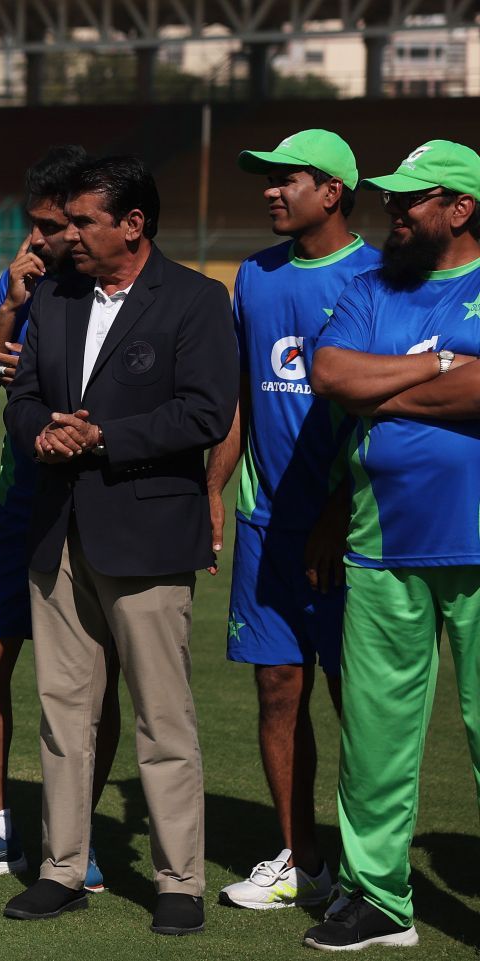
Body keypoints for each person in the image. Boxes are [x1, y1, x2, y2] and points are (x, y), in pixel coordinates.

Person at [0, 156, 237, 937]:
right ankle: (62, 868)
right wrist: (44, 432)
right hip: (58, 530)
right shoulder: (57, 296)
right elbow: (24, 394)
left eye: (82, 223)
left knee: (162, 719)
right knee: (64, 715)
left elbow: (205, 413)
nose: (66, 235)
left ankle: (179, 880)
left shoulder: (199, 301)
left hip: (147, 535)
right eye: (63, 222)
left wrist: (104, 438)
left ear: (133, 224)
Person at [305, 138, 480, 952]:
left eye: (413, 199)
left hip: (475, 545)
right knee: (374, 736)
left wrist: (393, 391)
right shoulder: (372, 286)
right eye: (392, 198)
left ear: (460, 208)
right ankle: (378, 896)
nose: (394, 210)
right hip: (380, 545)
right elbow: (333, 375)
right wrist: (443, 370)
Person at [211, 129, 377, 912]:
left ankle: (366, 865)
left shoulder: (378, 274)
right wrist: (214, 489)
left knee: (362, 702)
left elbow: (383, 415)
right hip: (262, 523)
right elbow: (243, 397)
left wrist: (340, 511)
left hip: (356, 532)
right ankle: (300, 858)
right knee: (278, 687)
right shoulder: (255, 274)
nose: (272, 190)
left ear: (334, 191)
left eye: (289, 179)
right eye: (268, 179)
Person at [0, 145, 117, 888]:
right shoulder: (31, 286)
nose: (43, 239)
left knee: (89, 684)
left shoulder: (127, 288)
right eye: (38, 225)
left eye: (56, 225)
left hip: (97, 512)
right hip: (15, 508)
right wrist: (12, 301)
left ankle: (70, 831)